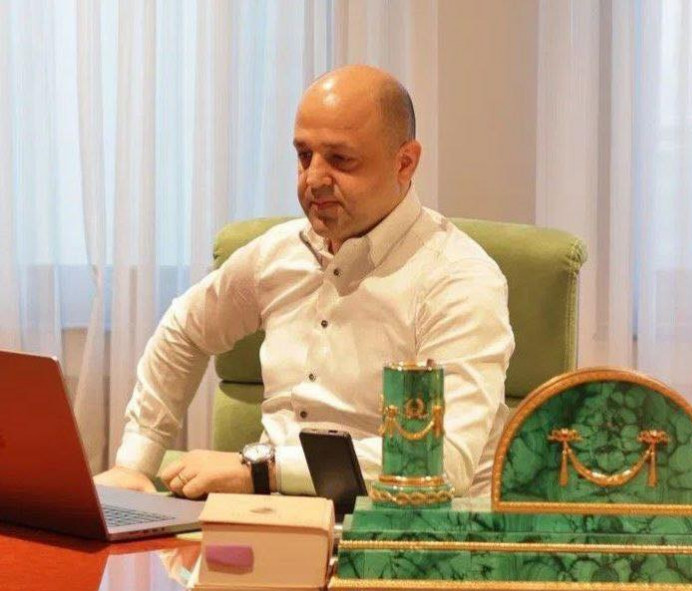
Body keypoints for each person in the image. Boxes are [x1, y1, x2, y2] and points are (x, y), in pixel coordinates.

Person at [94, 64, 514, 500]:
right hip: (269, 518)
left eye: (340, 159)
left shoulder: (459, 278)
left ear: (404, 163)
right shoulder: (277, 254)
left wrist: (264, 471)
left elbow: (443, 460)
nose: (313, 178)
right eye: (303, 155)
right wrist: (134, 463)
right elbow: (184, 330)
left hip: (400, 529)